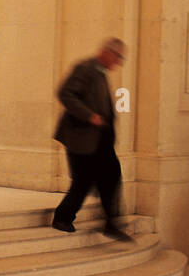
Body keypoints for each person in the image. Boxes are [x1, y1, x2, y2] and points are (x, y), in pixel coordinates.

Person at [51, 38, 132, 240]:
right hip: (82, 137)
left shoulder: (99, 72)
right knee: (83, 181)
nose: (119, 62)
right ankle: (62, 217)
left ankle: (112, 223)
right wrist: (90, 116)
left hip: (99, 139)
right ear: (107, 53)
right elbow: (65, 94)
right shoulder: (85, 68)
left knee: (111, 177)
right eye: (118, 57)